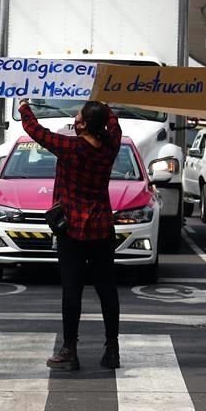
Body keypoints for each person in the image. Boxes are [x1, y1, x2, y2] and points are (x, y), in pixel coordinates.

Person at [19, 99, 122, 370]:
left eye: (78, 118)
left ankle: (70, 349)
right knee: (107, 290)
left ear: (85, 124)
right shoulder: (111, 146)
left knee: (72, 291)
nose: (74, 121)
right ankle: (112, 349)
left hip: (73, 230)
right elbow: (113, 122)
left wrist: (23, 106)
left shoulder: (71, 148)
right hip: (101, 228)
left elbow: (35, 130)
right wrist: (102, 100)